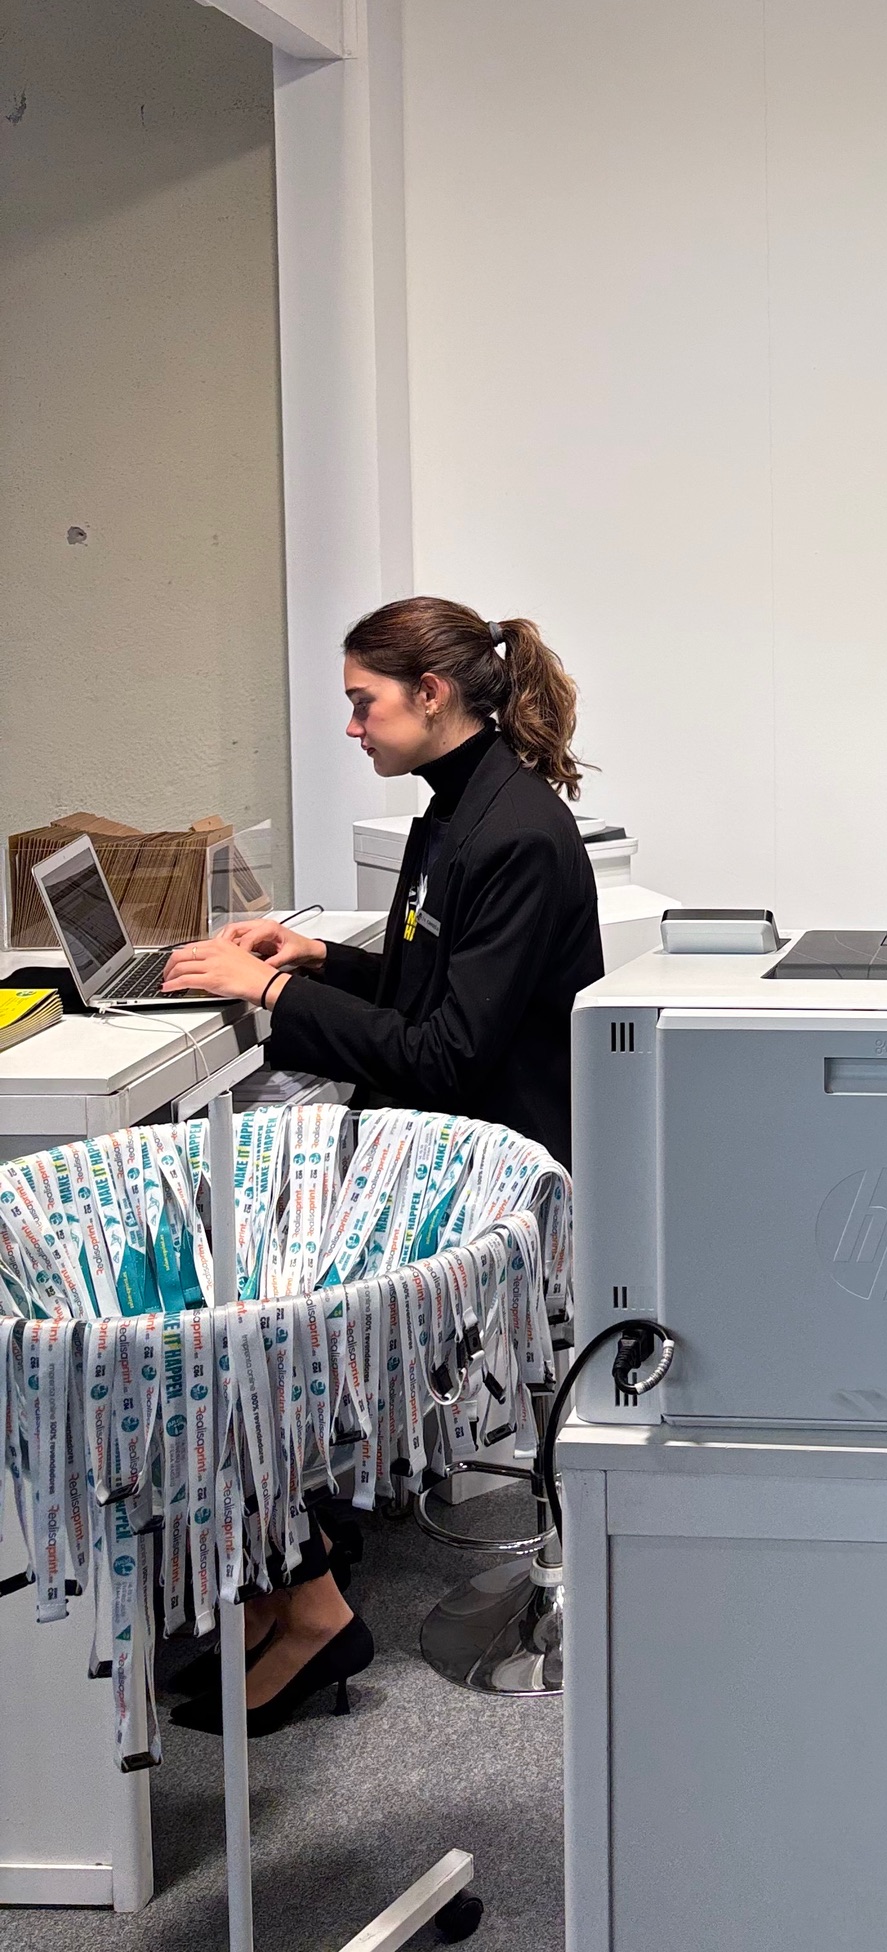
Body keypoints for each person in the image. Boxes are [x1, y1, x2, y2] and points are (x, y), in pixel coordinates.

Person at [159, 595, 605, 1733]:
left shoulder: (512, 835)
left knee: (237, 1305)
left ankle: (309, 1603)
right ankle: (275, 1584)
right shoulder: (457, 810)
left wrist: (269, 994)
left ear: (433, 695)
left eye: (364, 703)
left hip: (493, 1176)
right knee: (214, 1264)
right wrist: (313, 958)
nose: (352, 725)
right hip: (443, 1137)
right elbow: (427, 1000)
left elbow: (450, 1053)